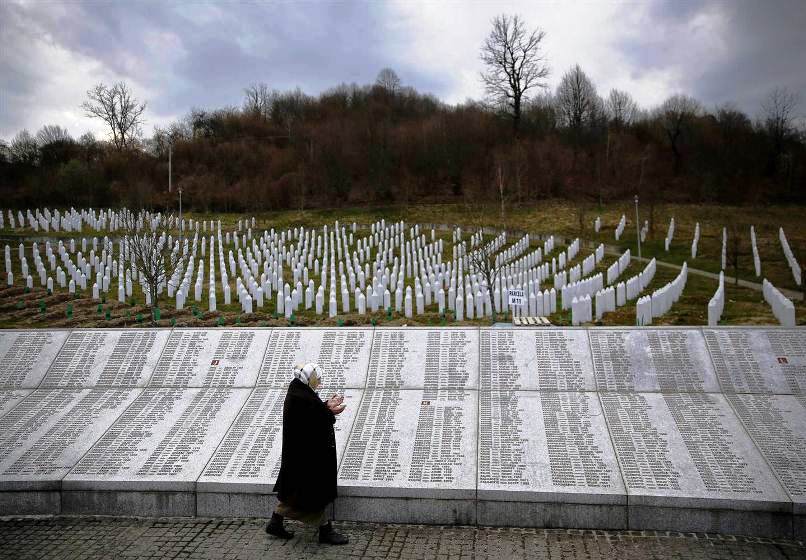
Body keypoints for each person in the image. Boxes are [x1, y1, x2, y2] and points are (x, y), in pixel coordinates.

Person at [266, 362, 349, 545]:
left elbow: (313, 413)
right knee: (314, 496)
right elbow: (316, 418)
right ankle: (325, 531)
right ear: (308, 379)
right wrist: (329, 411)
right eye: (316, 379)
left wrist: (326, 406)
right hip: (307, 459)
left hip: (299, 457)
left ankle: (275, 522)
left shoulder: (299, 392)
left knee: (294, 494)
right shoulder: (302, 397)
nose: (318, 383)